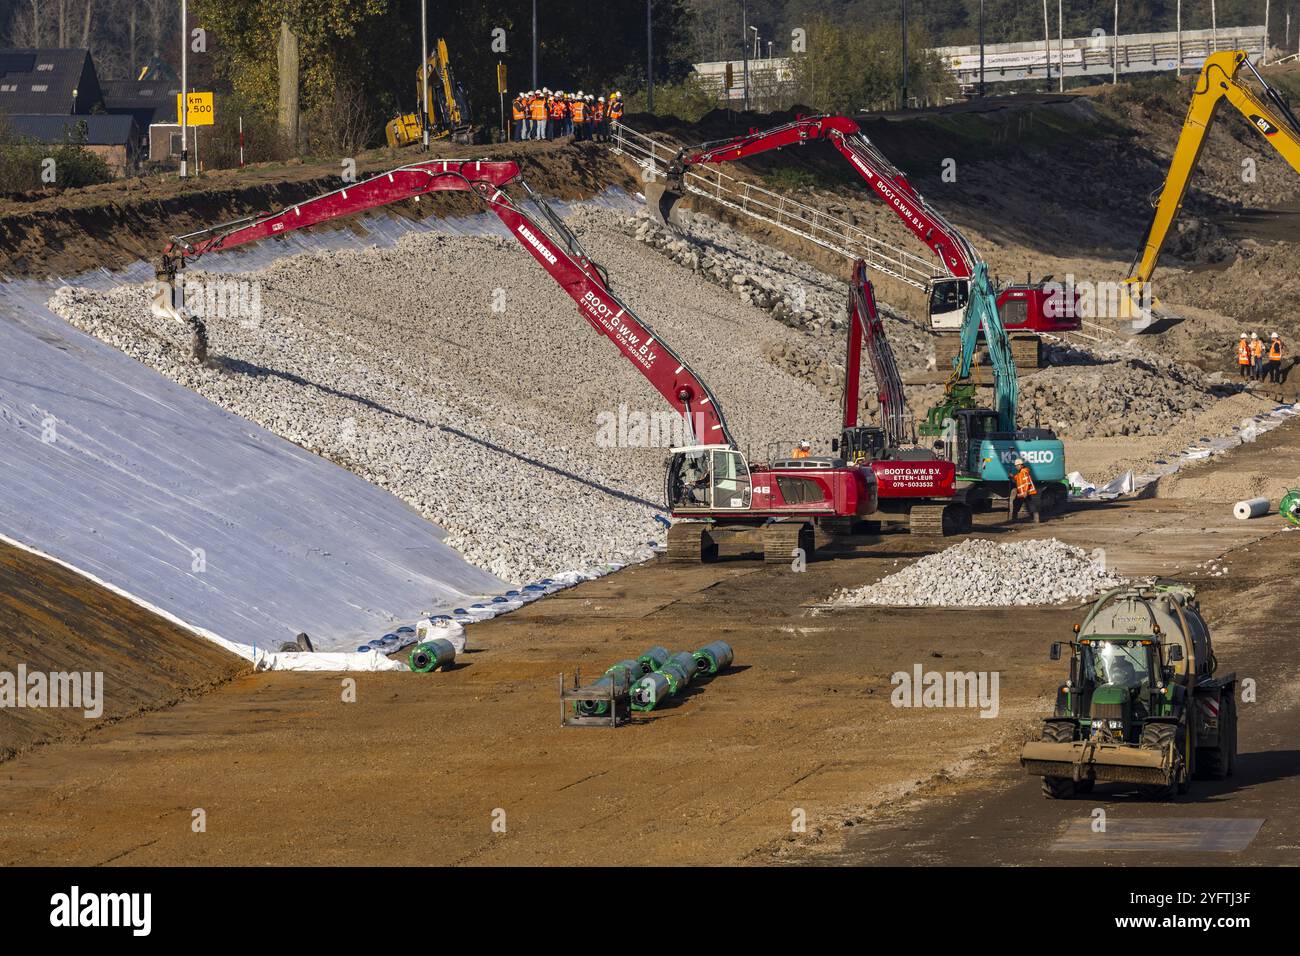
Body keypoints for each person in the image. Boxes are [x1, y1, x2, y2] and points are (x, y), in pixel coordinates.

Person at [1010, 457, 1039, 523]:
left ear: (1021, 465)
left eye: (1017, 465)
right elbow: (1016, 478)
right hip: (1021, 493)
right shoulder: (1020, 473)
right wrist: (1012, 477)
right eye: (1015, 466)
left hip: (1026, 493)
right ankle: (1014, 519)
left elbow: (1027, 482)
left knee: (1030, 505)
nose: (1016, 467)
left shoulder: (1024, 472)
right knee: (1017, 504)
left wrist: (1025, 492)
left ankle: (1036, 518)